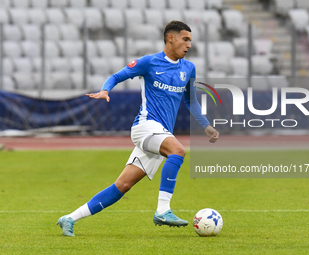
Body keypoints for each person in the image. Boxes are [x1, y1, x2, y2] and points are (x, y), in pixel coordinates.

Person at [57, 20, 219, 237]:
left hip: (160, 133)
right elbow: (117, 76)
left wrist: (206, 126)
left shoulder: (188, 68)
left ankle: (69, 218)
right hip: (145, 126)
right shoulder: (149, 63)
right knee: (178, 151)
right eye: (185, 39)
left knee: (122, 185)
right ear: (170, 38)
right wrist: (105, 90)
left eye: (190, 40)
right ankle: (163, 210)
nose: (189, 45)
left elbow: (191, 101)